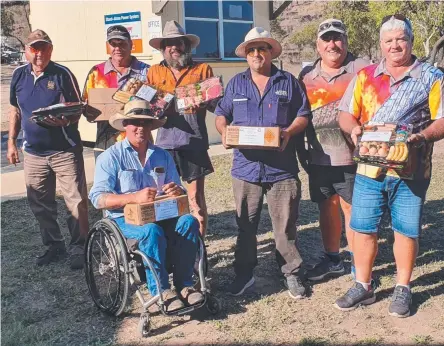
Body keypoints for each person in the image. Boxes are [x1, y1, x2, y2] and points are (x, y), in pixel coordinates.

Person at [335, 15, 444, 317]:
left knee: (406, 231)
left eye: (401, 38)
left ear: (409, 41)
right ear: (381, 44)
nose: (395, 45)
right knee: (362, 228)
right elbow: (345, 113)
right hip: (369, 169)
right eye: (389, 40)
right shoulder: (365, 76)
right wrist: (354, 129)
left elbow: (443, 119)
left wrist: (420, 137)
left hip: (411, 171)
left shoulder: (431, 77)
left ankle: (403, 287)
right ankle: (362, 284)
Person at [214, 27, 311, 299]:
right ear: (246, 55)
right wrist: (224, 131)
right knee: (246, 225)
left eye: (262, 49)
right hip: (245, 168)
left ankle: (291, 273)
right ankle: (244, 275)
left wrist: (289, 132)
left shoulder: (288, 82)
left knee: (285, 225)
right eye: (251, 50)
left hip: (281, 168)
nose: (257, 54)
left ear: (271, 52)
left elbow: (303, 115)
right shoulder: (236, 84)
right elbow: (221, 114)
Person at [89, 99, 203, 312]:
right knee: (151, 231)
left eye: (145, 123)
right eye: (134, 122)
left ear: (152, 126)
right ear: (125, 125)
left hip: (162, 213)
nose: (140, 128)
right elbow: (98, 199)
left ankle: (185, 284)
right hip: (123, 219)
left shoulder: (162, 155)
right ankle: (161, 290)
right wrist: (133, 197)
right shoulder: (110, 157)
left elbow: (178, 189)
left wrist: (176, 191)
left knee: (188, 221)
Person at [7, 29, 88, 270]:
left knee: (76, 202)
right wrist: (12, 141)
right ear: (27, 51)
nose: (39, 52)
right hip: (33, 153)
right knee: (40, 203)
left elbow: (77, 109)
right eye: (34, 48)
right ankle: (54, 245)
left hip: (65, 151)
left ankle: (80, 247)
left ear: (51, 50)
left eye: (43, 47)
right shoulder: (18, 75)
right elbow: (15, 110)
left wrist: (66, 120)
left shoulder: (62, 74)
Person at [299, 19, 369, 281]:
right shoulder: (306, 75)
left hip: (354, 157)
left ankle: (357, 262)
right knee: (326, 207)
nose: (332, 44)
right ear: (318, 45)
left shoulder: (362, 69)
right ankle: (333, 259)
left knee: (353, 209)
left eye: (337, 38)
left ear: (346, 42)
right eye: (326, 39)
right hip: (318, 157)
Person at [147, 20, 214, 237]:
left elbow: (215, 103)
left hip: (193, 141)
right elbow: (147, 106)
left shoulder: (202, 69)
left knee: (196, 200)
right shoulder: (153, 72)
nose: (173, 47)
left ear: (186, 45)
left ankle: (198, 248)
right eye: (168, 43)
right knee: (166, 197)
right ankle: (172, 242)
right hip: (164, 144)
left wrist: (204, 101)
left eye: (178, 42)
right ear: (162, 48)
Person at [82, 25, 150, 159]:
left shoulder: (147, 71)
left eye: (122, 43)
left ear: (131, 44)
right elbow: (85, 107)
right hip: (105, 143)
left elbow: (157, 105)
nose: (117, 48)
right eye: (113, 44)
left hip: (139, 143)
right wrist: (89, 110)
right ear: (108, 46)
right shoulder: (96, 72)